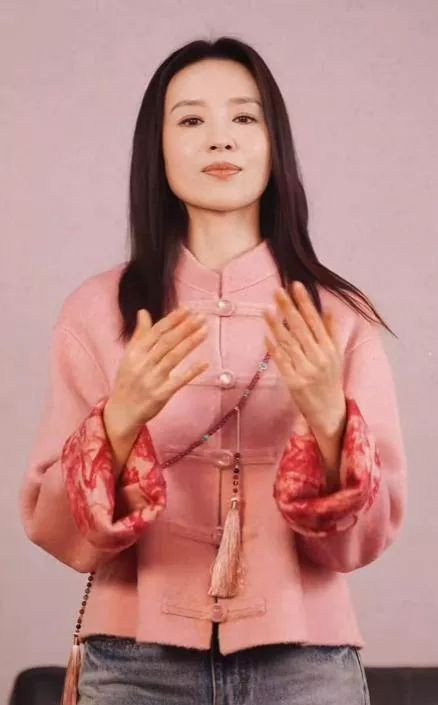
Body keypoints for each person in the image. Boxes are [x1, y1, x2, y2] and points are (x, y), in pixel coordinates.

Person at [19, 35, 407, 705]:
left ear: (274, 144)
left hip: (306, 663)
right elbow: (56, 529)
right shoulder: (96, 312)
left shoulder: (340, 318)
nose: (220, 138)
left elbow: (364, 541)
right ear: (158, 149)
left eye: (244, 117)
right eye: (192, 119)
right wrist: (119, 421)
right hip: (133, 663)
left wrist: (330, 423)